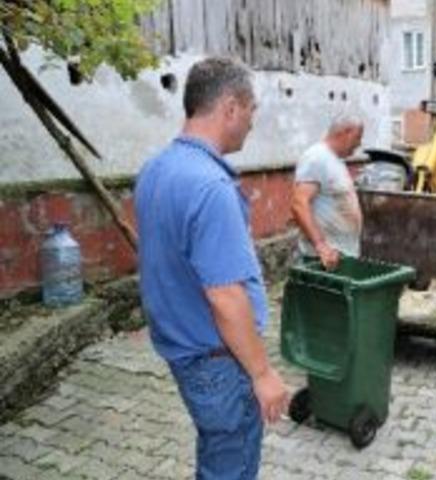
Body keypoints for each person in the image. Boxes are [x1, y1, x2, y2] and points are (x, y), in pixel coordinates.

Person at [135, 57, 288, 479]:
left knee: (216, 457)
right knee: (231, 466)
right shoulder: (211, 186)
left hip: (184, 350)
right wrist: (262, 373)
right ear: (231, 108)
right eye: (252, 110)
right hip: (219, 361)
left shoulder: (155, 169)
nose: (253, 122)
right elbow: (225, 295)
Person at [290, 114, 364, 269]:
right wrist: (321, 245)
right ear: (345, 132)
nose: (359, 144)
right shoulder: (317, 157)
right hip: (323, 259)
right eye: (357, 137)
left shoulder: (335, 160)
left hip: (339, 256)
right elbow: (299, 203)